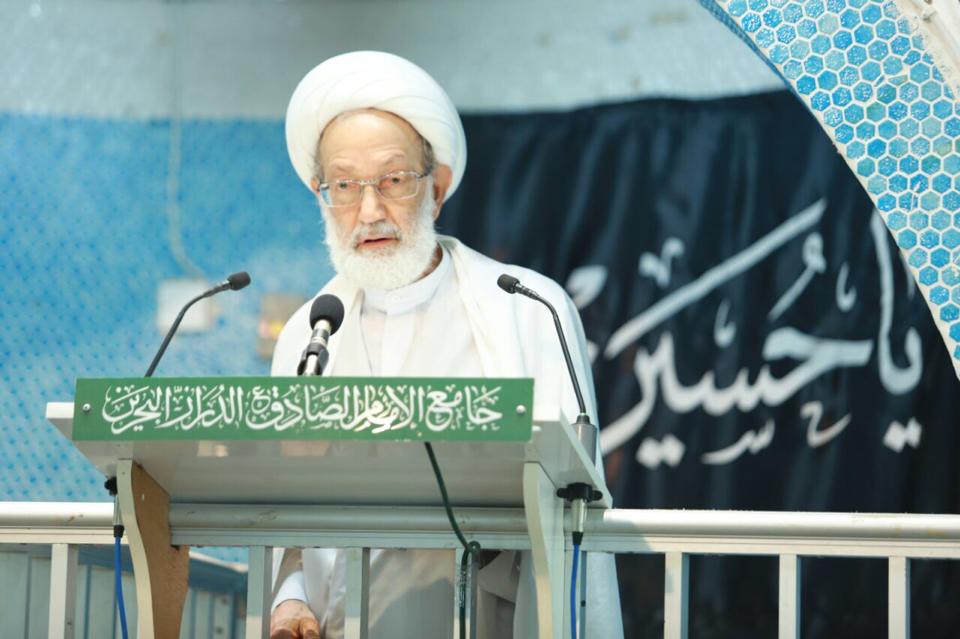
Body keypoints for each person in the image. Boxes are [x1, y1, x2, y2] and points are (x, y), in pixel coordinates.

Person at [269, 50, 623, 639]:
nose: (370, 210)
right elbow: (283, 509)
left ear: (436, 188)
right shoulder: (309, 333)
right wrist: (288, 601)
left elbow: (568, 505)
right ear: (320, 195)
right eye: (345, 186)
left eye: (393, 180)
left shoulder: (528, 310)